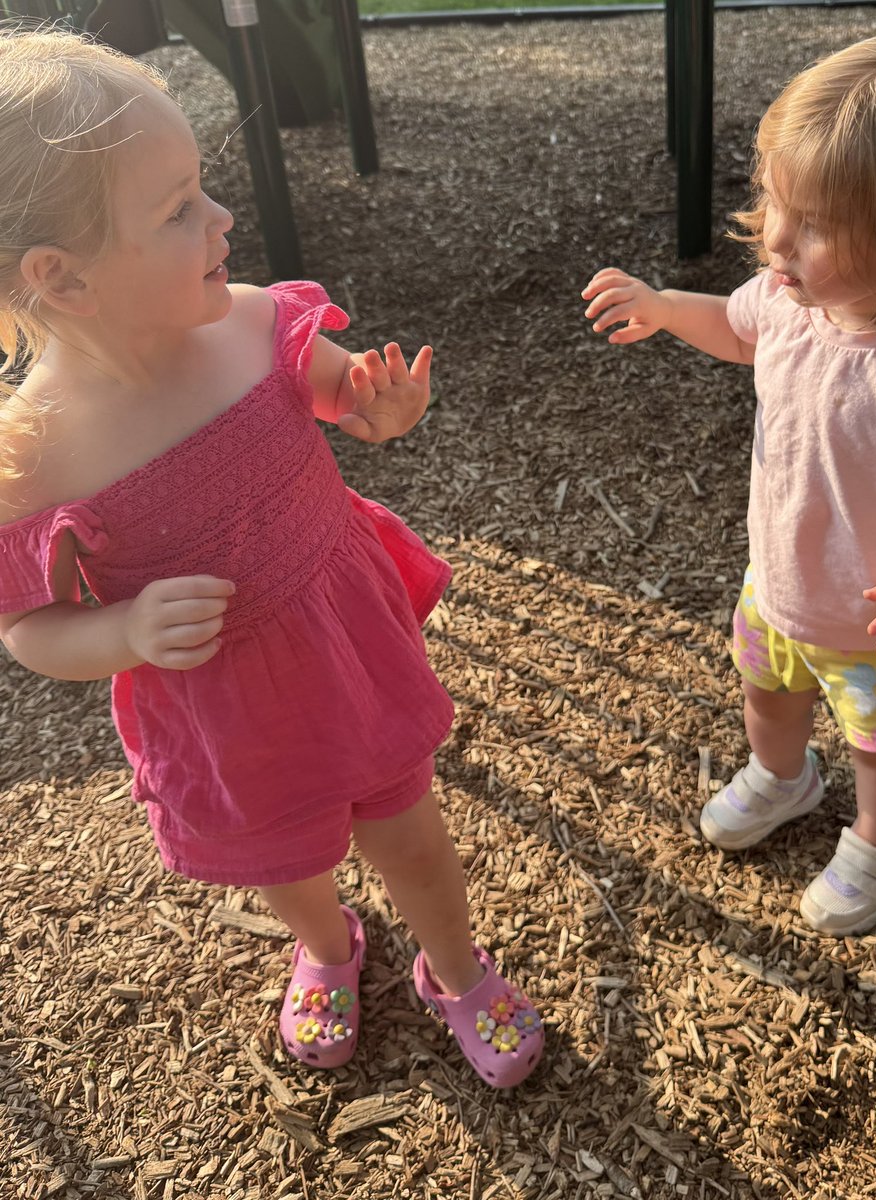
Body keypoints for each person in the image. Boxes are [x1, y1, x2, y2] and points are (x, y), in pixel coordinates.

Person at [0, 28, 543, 1087]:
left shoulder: (251, 325)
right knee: (285, 862)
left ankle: (454, 967)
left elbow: (336, 391)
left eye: (203, 188)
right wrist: (119, 633)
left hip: (345, 654)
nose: (223, 219)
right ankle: (328, 946)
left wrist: (374, 408)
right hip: (222, 710)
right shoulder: (37, 454)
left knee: (412, 836)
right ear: (62, 281)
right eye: (176, 211)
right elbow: (24, 624)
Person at [582, 29, 876, 936]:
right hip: (778, 585)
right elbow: (739, 330)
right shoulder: (792, 301)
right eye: (776, 201)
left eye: (817, 220)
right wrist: (669, 309)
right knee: (768, 696)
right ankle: (785, 778)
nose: (776, 237)